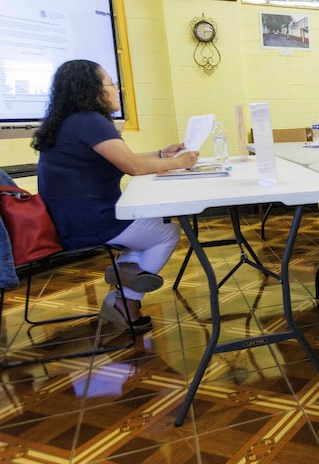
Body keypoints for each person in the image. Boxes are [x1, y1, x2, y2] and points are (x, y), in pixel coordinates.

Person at [33, 60, 199, 328]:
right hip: (90, 222)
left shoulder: (70, 121)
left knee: (150, 227)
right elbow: (133, 166)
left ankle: (125, 275)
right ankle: (126, 300)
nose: (116, 89)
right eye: (110, 83)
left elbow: (123, 159)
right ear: (92, 90)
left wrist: (161, 154)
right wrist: (179, 162)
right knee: (168, 233)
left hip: (68, 220)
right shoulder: (90, 121)